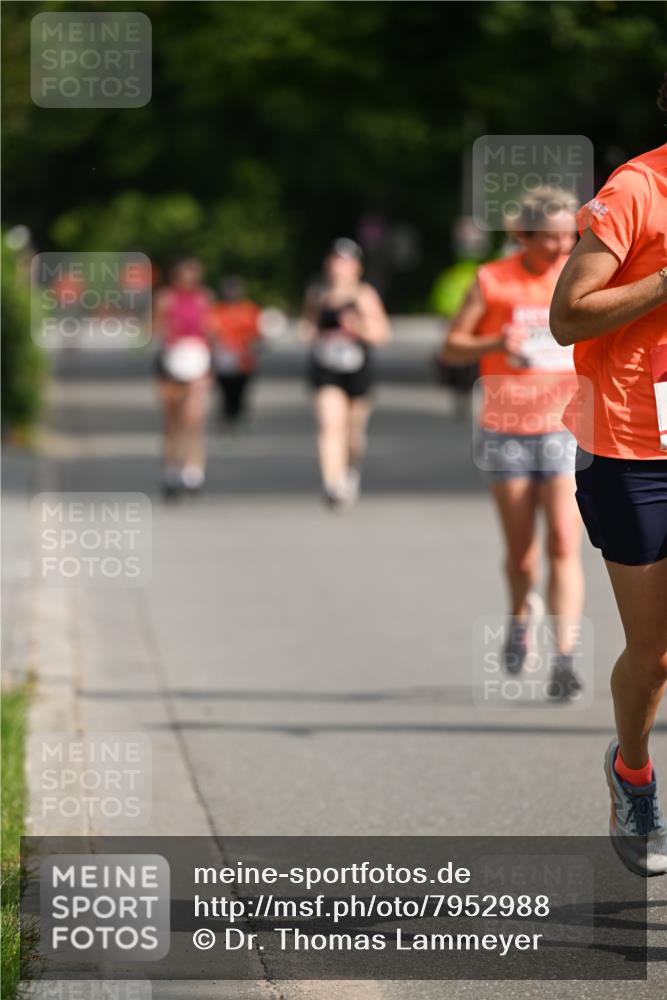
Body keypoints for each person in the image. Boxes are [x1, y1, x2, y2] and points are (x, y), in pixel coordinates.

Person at [550, 78, 667, 876]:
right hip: (632, 443)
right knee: (656, 655)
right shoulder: (635, 188)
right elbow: (567, 316)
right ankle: (632, 772)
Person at [441, 187, 583, 698]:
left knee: (565, 543)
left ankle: (565, 656)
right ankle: (521, 615)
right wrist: (495, 342)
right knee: (523, 554)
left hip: (567, 426)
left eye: (571, 237)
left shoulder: (578, 276)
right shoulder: (492, 280)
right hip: (506, 428)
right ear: (522, 235)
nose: (563, 248)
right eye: (551, 239)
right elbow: (452, 347)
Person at [301, 238, 391, 509]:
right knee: (330, 424)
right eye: (336, 261)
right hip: (326, 368)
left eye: (346, 262)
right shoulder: (318, 294)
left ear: (357, 267)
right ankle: (333, 483)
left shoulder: (364, 296)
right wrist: (311, 333)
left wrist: (358, 327)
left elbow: (382, 335)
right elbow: (308, 327)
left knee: (353, 433)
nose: (340, 267)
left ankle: (350, 470)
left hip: (357, 370)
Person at [154, 258, 213, 498]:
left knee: (194, 419)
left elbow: (210, 329)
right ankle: (170, 469)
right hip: (172, 363)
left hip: (197, 363)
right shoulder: (165, 298)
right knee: (173, 421)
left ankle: (194, 470)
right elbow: (156, 328)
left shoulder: (203, 298)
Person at [207, 277, 262, 428]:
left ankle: (238, 415)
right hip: (222, 358)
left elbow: (257, 334)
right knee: (225, 388)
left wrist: (251, 347)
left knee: (241, 389)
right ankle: (227, 416)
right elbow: (210, 331)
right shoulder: (217, 310)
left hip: (244, 359)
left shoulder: (250, 309)